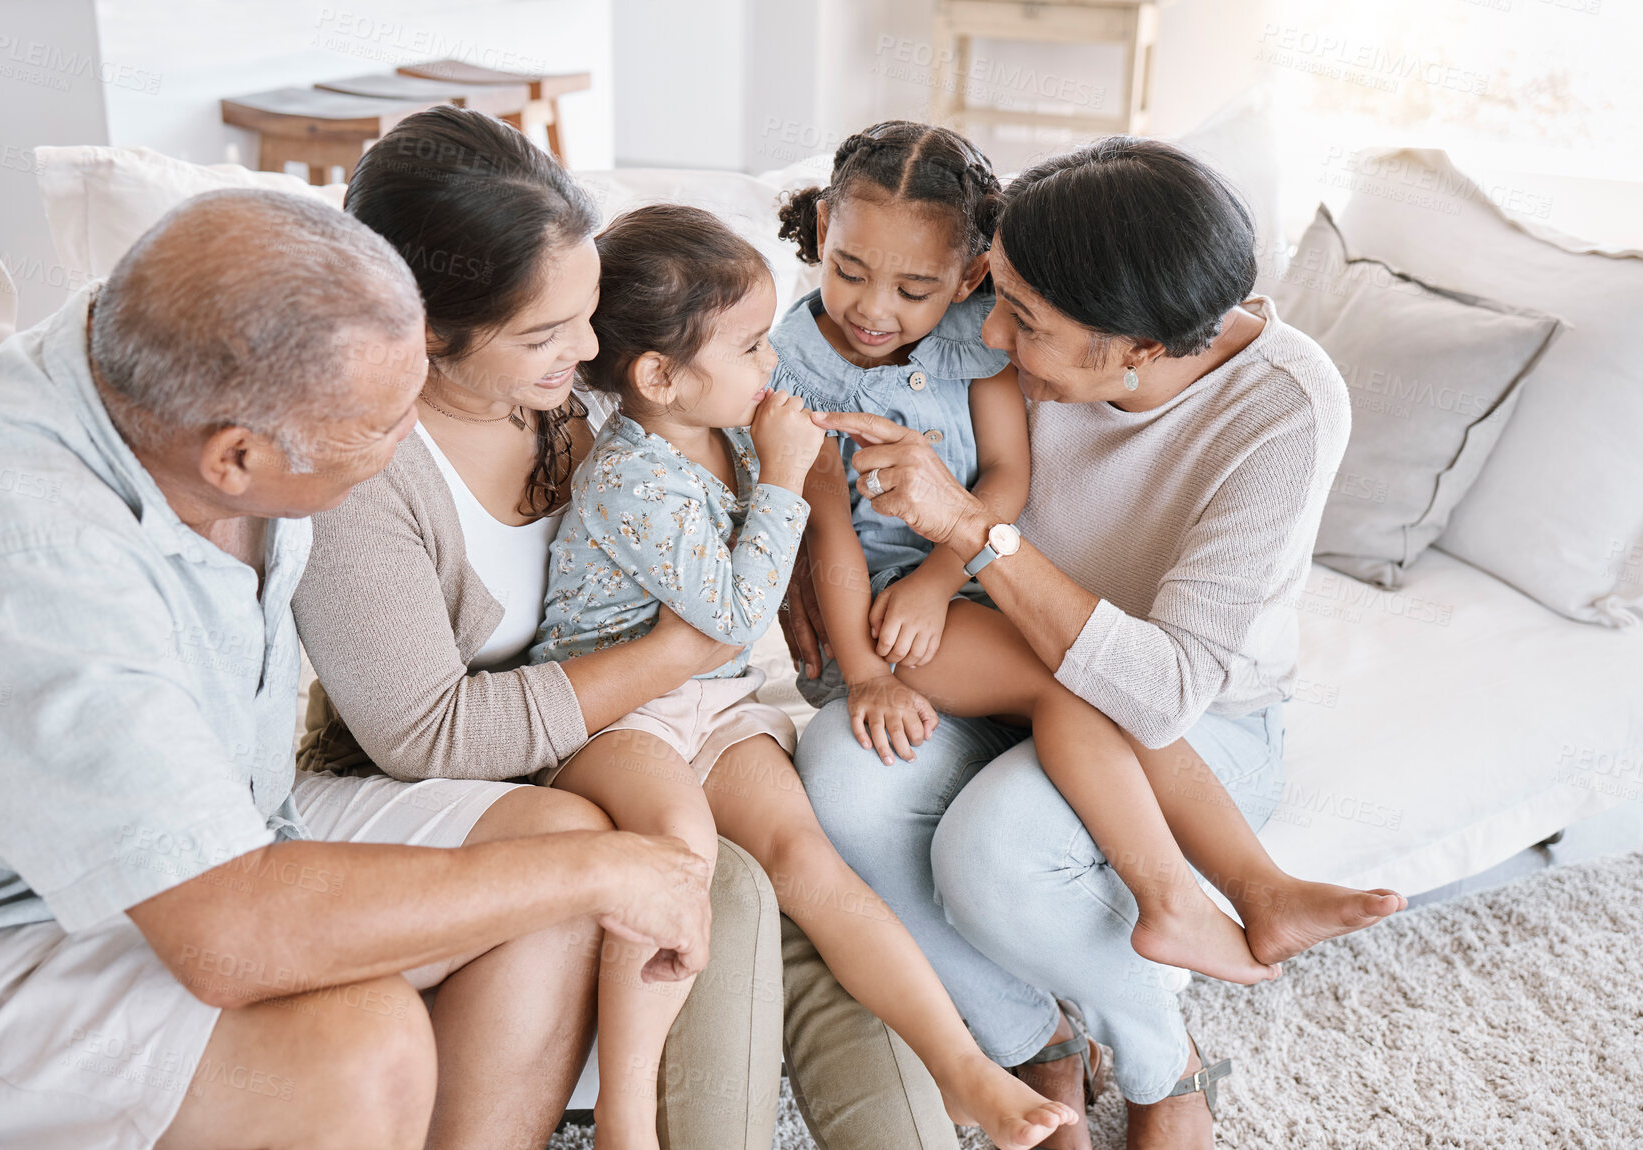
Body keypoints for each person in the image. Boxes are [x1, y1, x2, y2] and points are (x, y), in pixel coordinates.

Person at [0, 188, 712, 1150]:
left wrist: (585, 867)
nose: (404, 448)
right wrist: (599, 872)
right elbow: (227, 935)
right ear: (235, 460)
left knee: (544, 844)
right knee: (362, 1045)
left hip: (234, 824)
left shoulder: (180, 337)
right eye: (380, 436)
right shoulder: (28, 555)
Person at [292, 107, 966, 1150]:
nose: (592, 346)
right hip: (465, 775)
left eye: (587, 310)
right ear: (428, 331)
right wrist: (679, 649)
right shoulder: (363, 477)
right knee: (727, 886)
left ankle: (948, 1102)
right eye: (545, 331)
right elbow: (424, 738)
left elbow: (702, 468)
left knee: (808, 855)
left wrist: (794, 513)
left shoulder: (576, 395)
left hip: (625, 728)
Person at [782, 137, 1409, 1150]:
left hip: (1188, 727)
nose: (986, 329)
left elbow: (1161, 695)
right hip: (991, 657)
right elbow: (896, 216)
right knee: (837, 773)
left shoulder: (1282, 407)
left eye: (1023, 322)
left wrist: (970, 536)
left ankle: (1166, 1064)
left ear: (1140, 350)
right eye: (997, 293)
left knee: (993, 850)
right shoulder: (1016, 298)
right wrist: (804, 560)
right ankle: (1032, 1038)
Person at [529, 202, 1075, 1150]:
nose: (774, 362)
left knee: (812, 862)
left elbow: (770, 575)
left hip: (717, 705)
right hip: (615, 715)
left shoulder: (731, 432)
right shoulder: (629, 479)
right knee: (678, 853)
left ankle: (964, 1067)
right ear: (660, 377)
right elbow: (733, 616)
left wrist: (819, 464)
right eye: (749, 348)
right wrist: (785, 478)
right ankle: (623, 1117)